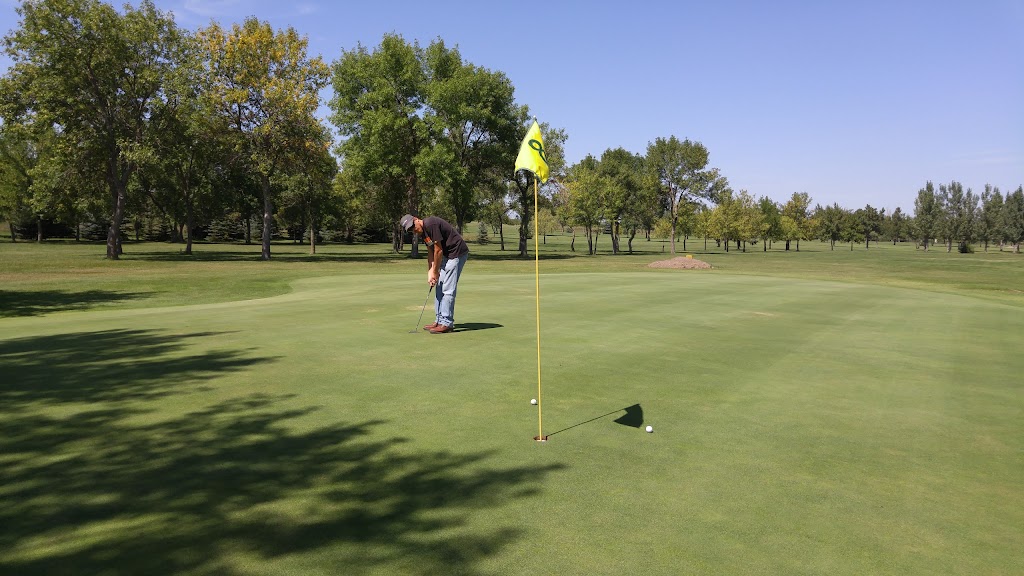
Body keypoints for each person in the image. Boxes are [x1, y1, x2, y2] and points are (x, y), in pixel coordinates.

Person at [400, 214, 469, 334]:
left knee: (448, 289)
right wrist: (430, 273)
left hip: (456, 253)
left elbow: (439, 250)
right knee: (438, 286)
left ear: (416, 219)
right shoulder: (424, 234)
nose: (414, 230)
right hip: (447, 256)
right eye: (410, 230)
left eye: (413, 226)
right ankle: (438, 320)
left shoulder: (431, 224)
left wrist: (436, 271)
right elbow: (431, 253)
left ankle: (447, 323)